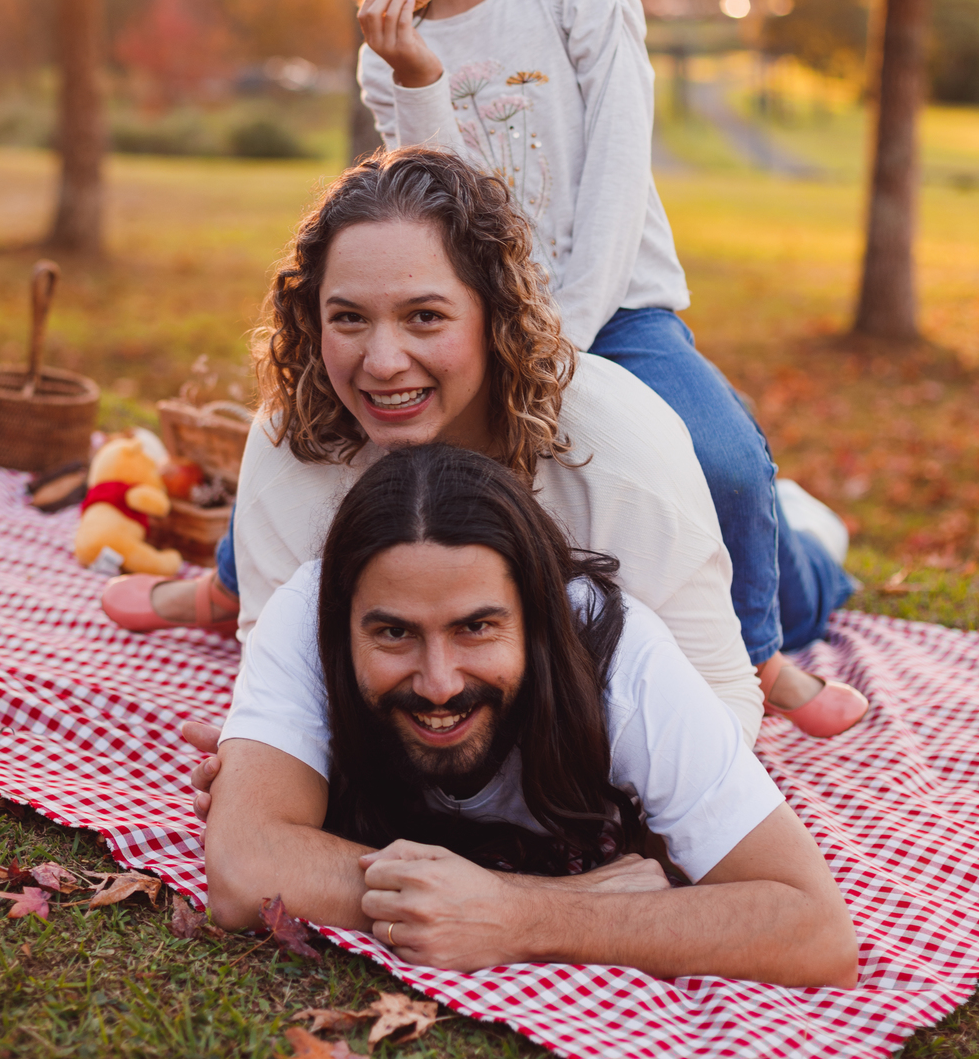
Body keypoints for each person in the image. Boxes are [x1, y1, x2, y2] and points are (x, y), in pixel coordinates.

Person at [349, 0, 861, 737]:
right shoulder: (388, 46)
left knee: (721, 466)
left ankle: (762, 646)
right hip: (484, 318)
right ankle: (236, 590)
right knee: (369, 458)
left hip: (615, 308)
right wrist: (416, 74)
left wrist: (566, 338)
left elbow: (621, 175)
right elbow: (440, 210)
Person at [109, 148, 865, 741]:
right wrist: (268, 758)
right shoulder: (291, 442)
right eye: (348, 318)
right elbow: (285, 686)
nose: (381, 362)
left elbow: (722, 697)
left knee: (800, 596)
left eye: (425, 316)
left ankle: (806, 529)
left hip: (709, 559)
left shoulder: (614, 456)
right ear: (313, 320)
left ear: (495, 318)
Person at [195, 441, 858, 985]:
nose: (438, 683)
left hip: (776, 582)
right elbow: (246, 870)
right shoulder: (306, 614)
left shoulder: (624, 661)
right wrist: (549, 901)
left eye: (476, 627)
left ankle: (807, 528)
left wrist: (516, 919)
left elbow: (816, 931)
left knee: (806, 592)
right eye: (395, 634)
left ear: (538, 621)